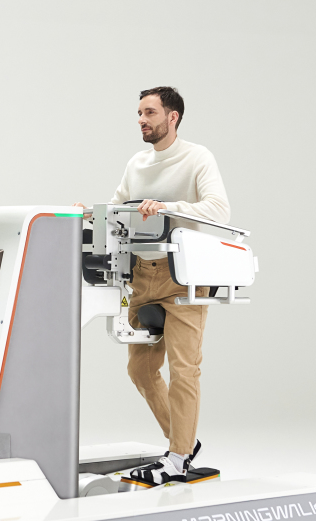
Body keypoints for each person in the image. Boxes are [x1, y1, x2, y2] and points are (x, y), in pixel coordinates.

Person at [74, 86, 230, 486]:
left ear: (172, 117)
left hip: (183, 273)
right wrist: (87, 213)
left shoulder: (197, 157)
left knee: (184, 369)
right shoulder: (137, 163)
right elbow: (117, 210)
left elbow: (218, 209)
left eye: (150, 113)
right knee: (140, 369)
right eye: (140, 113)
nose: (142, 120)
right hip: (143, 273)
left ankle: (178, 457)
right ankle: (184, 442)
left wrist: (166, 207)